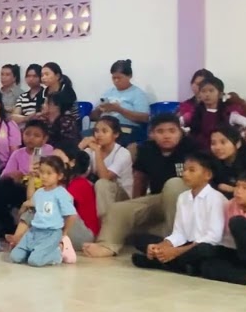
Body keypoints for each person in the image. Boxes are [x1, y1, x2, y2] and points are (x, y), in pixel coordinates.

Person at [82, 114, 192, 259]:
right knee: (118, 209)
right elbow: (140, 179)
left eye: (172, 131)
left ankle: (175, 242)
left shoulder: (191, 148)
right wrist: (136, 205)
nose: (166, 136)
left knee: (174, 183)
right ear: (152, 134)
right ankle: (107, 245)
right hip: (158, 199)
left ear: (180, 132)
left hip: (187, 200)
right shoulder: (147, 149)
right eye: (160, 131)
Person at [130, 152, 225, 274]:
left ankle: (165, 262)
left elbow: (213, 238)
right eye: (184, 170)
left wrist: (176, 252)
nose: (185, 174)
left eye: (191, 170)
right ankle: (174, 262)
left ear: (207, 175)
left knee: (205, 250)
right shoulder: (183, 197)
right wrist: (161, 246)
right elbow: (179, 233)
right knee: (139, 238)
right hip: (187, 244)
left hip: (205, 247)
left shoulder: (216, 199)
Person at [7, 156, 79, 267]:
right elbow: (31, 200)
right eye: (42, 172)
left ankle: (57, 252)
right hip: (34, 231)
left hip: (51, 233)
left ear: (59, 176)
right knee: (15, 257)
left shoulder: (61, 193)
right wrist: (31, 177)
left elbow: (72, 215)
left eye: (49, 173)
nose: (44, 176)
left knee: (35, 261)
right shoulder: (40, 192)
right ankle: (37, 251)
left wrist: (63, 232)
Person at [0, 119, 52, 237]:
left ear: (45, 139)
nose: (31, 138)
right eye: (27, 134)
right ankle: (3, 226)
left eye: (36, 136)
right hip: (22, 188)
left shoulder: (49, 151)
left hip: (43, 188)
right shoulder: (18, 153)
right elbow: (5, 175)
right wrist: (15, 175)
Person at [198, 168, 246, 285]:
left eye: (245, 188)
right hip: (239, 253)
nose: (238, 191)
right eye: (237, 186)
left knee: (238, 222)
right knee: (207, 265)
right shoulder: (230, 205)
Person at [79, 117, 134, 219]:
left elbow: (105, 177)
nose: (99, 135)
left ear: (116, 134)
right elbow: (76, 172)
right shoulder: (91, 150)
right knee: (79, 182)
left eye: (104, 131)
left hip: (122, 197)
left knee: (102, 184)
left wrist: (98, 152)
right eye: (96, 131)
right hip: (100, 193)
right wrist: (80, 147)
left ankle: (105, 223)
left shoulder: (123, 153)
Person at [182, 76, 246, 149]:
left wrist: (241, 135)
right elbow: (175, 123)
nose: (207, 94)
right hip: (198, 151)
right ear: (199, 95)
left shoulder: (228, 113)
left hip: (221, 150)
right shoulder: (193, 113)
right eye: (203, 91)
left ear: (220, 94)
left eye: (211, 91)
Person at [91, 59, 151, 143]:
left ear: (129, 76)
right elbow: (93, 117)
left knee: (109, 139)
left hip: (126, 129)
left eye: (119, 78)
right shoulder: (108, 92)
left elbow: (144, 118)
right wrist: (100, 109)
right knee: (85, 137)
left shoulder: (138, 94)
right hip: (104, 128)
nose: (116, 81)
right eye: (113, 78)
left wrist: (119, 109)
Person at [56, 147, 99, 247]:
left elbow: (60, 206)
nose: (53, 163)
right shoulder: (64, 184)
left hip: (84, 235)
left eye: (58, 159)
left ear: (72, 162)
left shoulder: (80, 183)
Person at [208, 126, 246, 199]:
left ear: (238, 144)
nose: (217, 147)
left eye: (223, 142)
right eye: (213, 143)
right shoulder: (212, 162)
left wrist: (233, 189)